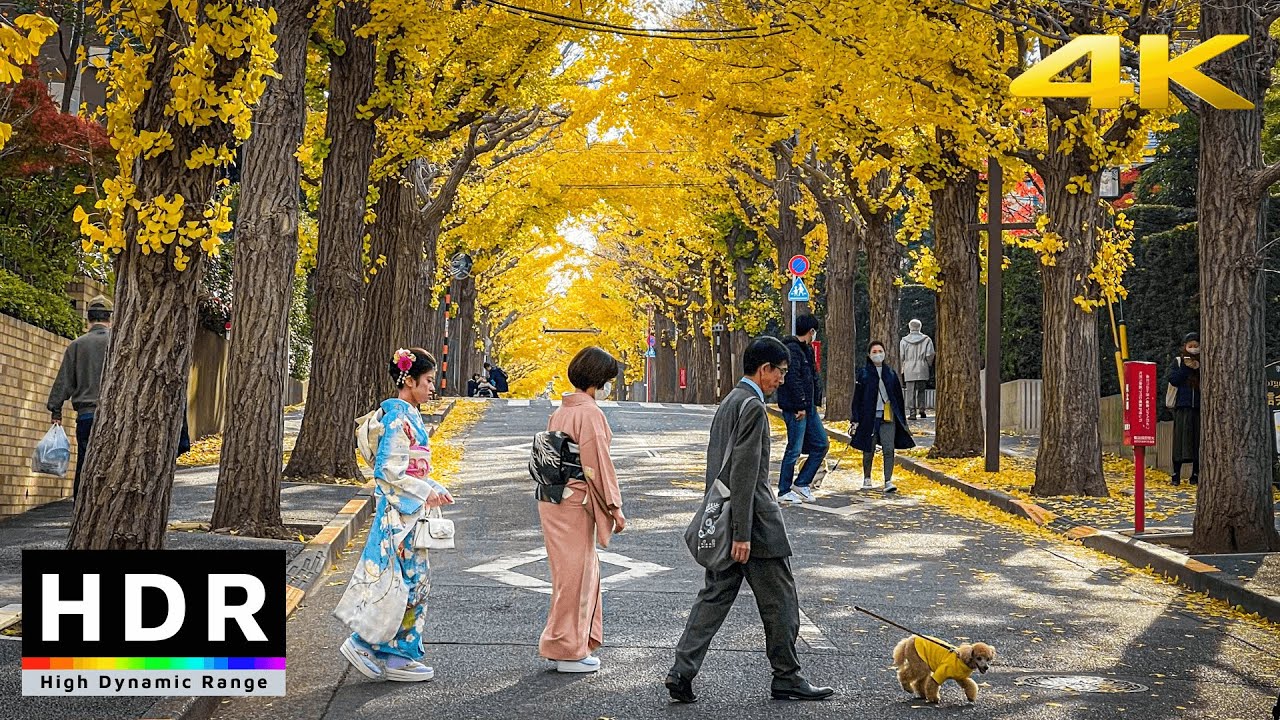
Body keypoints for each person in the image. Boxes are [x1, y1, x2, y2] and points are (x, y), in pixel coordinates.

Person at [666, 337, 835, 704]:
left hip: (726, 516)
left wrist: (723, 523)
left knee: (713, 598)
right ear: (764, 369)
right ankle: (787, 676)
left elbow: (718, 468)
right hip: (755, 524)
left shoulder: (730, 401)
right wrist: (741, 533)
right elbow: (745, 473)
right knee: (782, 601)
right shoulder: (754, 407)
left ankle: (681, 670)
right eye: (780, 372)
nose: (781, 380)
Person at [336, 347, 454, 682]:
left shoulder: (406, 416)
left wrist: (432, 486)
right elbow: (388, 472)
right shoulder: (398, 419)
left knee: (410, 582)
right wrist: (424, 490)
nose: (432, 387)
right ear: (409, 380)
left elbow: (411, 469)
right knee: (401, 584)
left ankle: (396, 653)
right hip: (399, 517)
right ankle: (367, 645)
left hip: (407, 511)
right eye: (428, 380)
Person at [539, 347, 626, 673]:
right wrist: (614, 507)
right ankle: (568, 649)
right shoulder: (589, 414)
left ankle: (562, 643)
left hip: (553, 498)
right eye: (608, 381)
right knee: (578, 576)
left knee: (567, 576)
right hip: (576, 502)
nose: (609, 387)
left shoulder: (561, 410)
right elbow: (598, 465)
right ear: (598, 380)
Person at [47, 295, 112, 499]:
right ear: (110, 318)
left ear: (88, 318)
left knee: (84, 463)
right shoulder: (117, 343)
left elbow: (63, 381)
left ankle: (81, 506)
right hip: (115, 416)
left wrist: (56, 410)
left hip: (86, 415)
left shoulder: (76, 345)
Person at [776, 314, 829, 504]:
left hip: (809, 406)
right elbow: (792, 380)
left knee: (821, 444)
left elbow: (810, 378)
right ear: (811, 331)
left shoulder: (806, 349)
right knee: (794, 449)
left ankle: (802, 482)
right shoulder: (792, 349)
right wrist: (799, 405)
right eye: (815, 331)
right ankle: (784, 490)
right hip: (796, 408)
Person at [850, 340, 915, 493]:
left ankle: (888, 480)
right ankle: (867, 478)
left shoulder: (891, 373)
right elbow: (857, 398)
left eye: (880, 351)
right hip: (869, 417)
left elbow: (898, 398)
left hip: (888, 417)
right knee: (869, 448)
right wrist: (855, 419)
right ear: (869, 355)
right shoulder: (864, 374)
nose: (878, 354)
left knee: (888, 448)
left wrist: (903, 421)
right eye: (874, 352)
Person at [1169, 332, 1201, 486]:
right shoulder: (1179, 361)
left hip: (1199, 408)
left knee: (1198, 441)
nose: (1193, 348)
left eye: (1196, 346)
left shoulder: (1204, 361)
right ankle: (1176, 474)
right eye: (1190, 346)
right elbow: (1173, 379)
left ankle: (1195, 474)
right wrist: (1186, 368)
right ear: (1185, 346)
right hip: (1182, 406)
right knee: (1180, 442)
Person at [899, 319, 935, 419]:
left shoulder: (904, 341)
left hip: (909, 368)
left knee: (910, 391)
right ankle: (922, 410)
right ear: (920, 327)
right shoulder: (927, 340)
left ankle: (912, 413)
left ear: (909, 327)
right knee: (921, 390)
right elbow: (930, 354)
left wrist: (903, 365)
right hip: (922, 367)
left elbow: (902, 356)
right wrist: (928, 364)